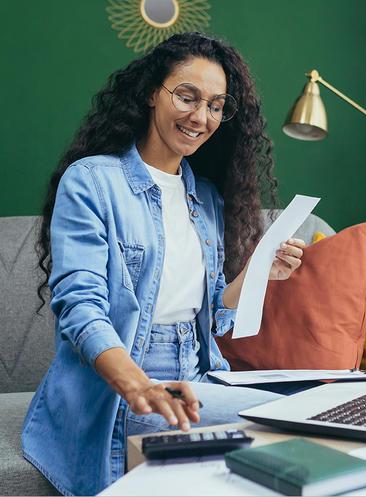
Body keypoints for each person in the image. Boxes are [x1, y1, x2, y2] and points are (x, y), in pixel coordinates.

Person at [22, 32, 305, 496]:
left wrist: (258, 270)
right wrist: (139, 387)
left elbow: (213, 315)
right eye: (187, 96)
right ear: (153, 92)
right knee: (291, 422)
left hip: (195, 375)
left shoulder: (205, 197)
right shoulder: (93, 182)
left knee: (327, 401)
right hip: (122, 383)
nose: (200, 116)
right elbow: (80, 309)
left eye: (215, 105)